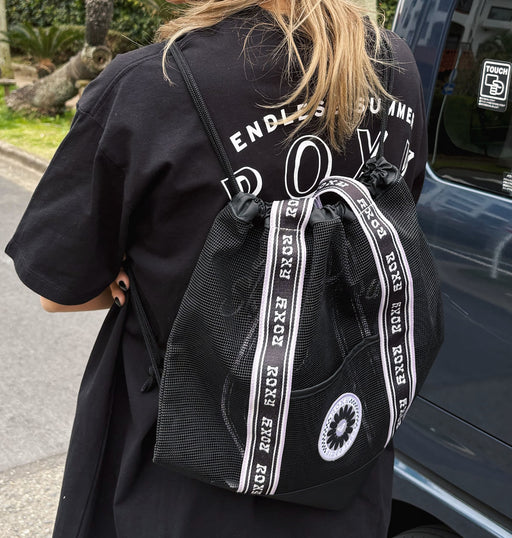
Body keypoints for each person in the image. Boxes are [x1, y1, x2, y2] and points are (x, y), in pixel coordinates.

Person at [5, 0, 427, 535]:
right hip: (343, 454)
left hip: (185, 472)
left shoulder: (154, 83)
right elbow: (398, 214)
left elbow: (61, 290)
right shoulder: (395, 66)